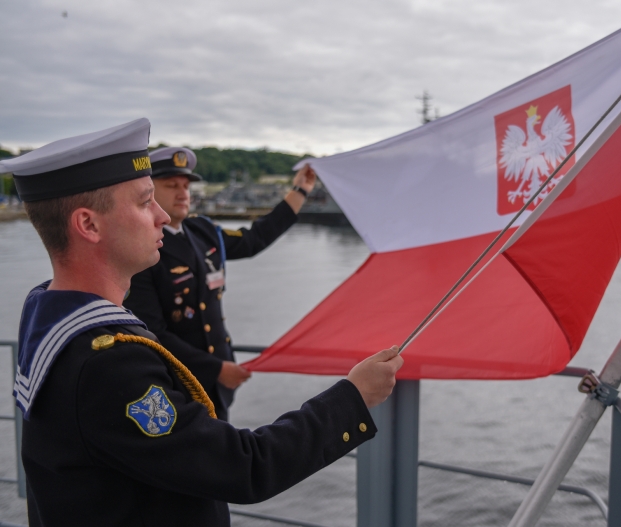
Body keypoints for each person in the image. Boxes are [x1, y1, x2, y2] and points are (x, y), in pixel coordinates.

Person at [1, 118, 403, 526]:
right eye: (144, 201)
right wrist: (353, 397)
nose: (162, 214)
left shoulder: (51, 316)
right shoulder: (107, 364)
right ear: (88, 224)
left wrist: (299, 191)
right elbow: (246, 468)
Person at [123, 146, 312, 421]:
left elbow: (253, 239)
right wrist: (216, 369)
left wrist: (300, 191)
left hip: (218, 384)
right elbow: (153, 333)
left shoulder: (204, 232)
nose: (182, 193)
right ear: (149, 193)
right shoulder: (142, 250)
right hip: (177, 385)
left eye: (186, 185)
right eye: (171, 185)